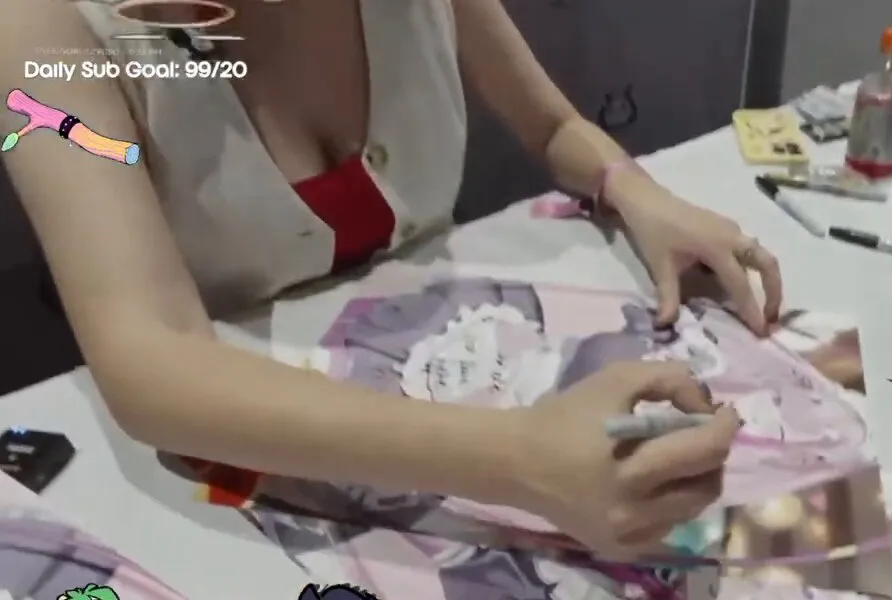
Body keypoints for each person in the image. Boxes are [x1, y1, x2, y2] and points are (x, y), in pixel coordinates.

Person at [0, 0, 787, 560]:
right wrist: (519, 458)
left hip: (460, 369)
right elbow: (151, 360)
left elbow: (552, 125)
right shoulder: (40, 26)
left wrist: (634, 190)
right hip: (232, 479)